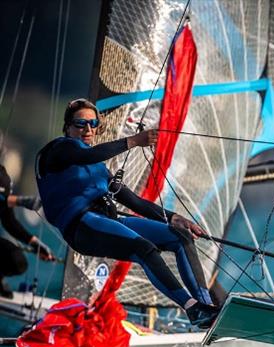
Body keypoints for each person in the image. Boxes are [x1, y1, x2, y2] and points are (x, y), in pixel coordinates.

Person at [36, 98, 218, 328]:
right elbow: (86, 156)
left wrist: (174, 217)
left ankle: (206, 308)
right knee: (144, 249)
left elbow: (134, 201)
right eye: (81, 123)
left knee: (179, 237)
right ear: (68, 126)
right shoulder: (58, 150)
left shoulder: (99, 169)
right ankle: (192, 308)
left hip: (107, 218)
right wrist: (134, 141)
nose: (88, 129)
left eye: (93, 124)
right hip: (82, 227)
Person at [0, 164, 56, 298]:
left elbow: (9, 222)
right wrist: (16, 201)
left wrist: (35, 243)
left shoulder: (3, 176)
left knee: (17, 261)